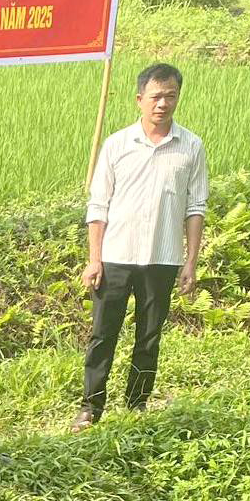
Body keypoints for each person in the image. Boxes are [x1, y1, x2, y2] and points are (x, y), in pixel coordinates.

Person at [73, 62, 208, 430]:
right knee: (103, 335)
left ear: (178, 98)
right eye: (156, 96)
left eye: (170, 96)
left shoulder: (191, 146)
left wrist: (191, 261)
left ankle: (137, 404)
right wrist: (94, 259)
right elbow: (98, 206)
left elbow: (195, 207)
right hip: (115, 257)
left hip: (162, 259)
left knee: (149, 336)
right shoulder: (117, 145)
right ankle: (90, 407)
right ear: (139, 100)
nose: (162, 104)